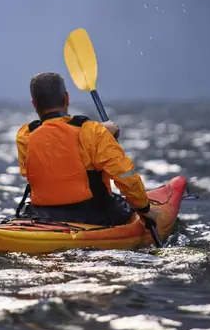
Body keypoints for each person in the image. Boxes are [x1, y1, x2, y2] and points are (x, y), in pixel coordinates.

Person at [15, 72, 158, 226]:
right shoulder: (93, 132)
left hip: (41, 214)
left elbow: (53, 144)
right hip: (91, 215)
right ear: (67, 98)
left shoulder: (25, 135)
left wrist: (100, 132)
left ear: (34, 104)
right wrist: (144, 208)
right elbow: (124, 175)